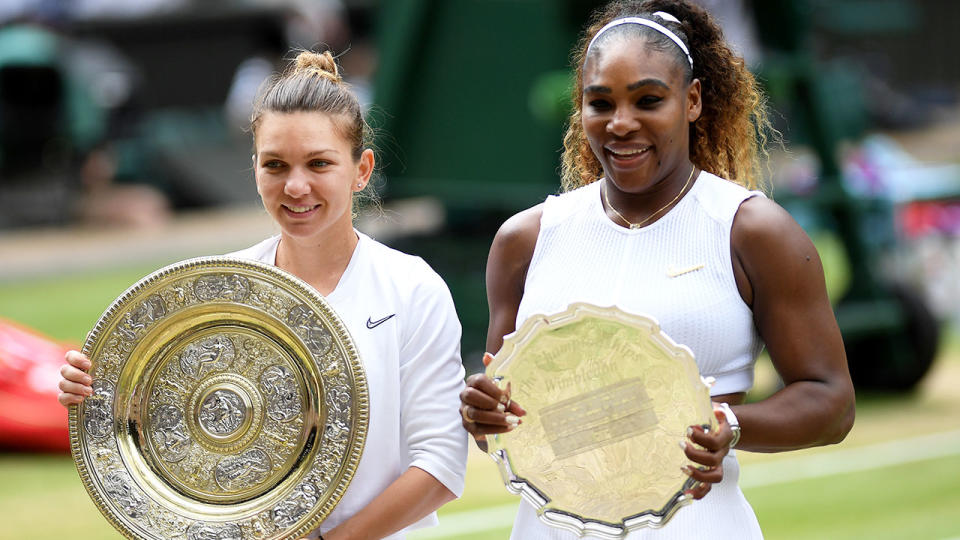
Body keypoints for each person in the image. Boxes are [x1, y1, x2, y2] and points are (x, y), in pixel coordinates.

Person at [458, 1, 856, 538]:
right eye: (600, 103)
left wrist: (729, 425)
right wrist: (484, 413)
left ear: (691, 101)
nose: (621, 124)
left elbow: (830, 402)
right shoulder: (525, 239)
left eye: (648, 100)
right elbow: (506, 429)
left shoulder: (752, 230)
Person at [58, 50, 469, 540]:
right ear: (255, 169)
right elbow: (178, 425)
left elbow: (440, 464)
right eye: (276, 165)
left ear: (361, 170)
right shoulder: (216, 289)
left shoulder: (412, 288)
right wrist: (98, 389)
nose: (296, 186)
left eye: (319, 163)